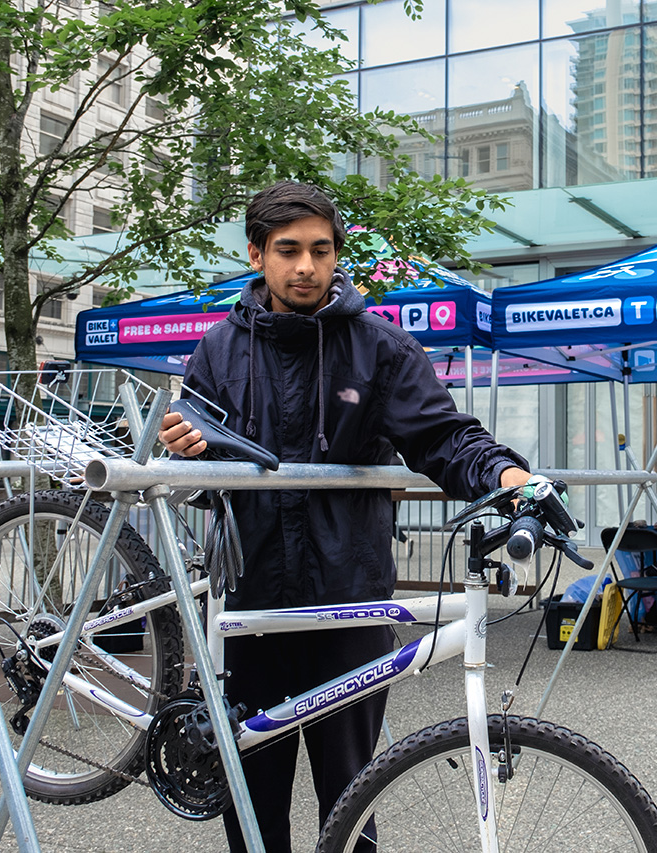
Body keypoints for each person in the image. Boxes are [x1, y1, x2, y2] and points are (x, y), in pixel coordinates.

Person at [159, 180, 532, 853]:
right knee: (250, 799)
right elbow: (198, 478)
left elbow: (443, 436)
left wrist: (506, 476)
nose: (306, 266)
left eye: (321, 250)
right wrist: (187, 454)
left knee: (353, 794)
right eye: (288, 250)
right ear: (256, 254)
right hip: (249, 601)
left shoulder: (379, 347)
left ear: (337, 254)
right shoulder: (218, 349)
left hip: (350, 601)